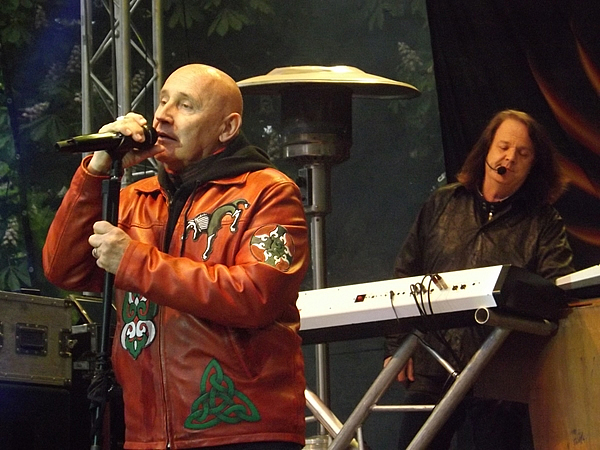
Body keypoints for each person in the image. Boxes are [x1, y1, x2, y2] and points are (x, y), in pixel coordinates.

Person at [43, 64, 310, 450]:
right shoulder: (135, 199)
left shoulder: (268, 192)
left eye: (186, 106)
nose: (163, 116)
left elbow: (256, 296)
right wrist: (97, 169)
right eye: (163, 101)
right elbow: (62, 268)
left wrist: (133, 261)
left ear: (227, 128)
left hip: (242, 431)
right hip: (147, 434)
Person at [384, 109, 575, 449]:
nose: (510, 158)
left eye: (523, 153)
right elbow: (406, 273)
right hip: (432, 362)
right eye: (504, 146)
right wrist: (396, 345)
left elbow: (556, 291)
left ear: (533, 165)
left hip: (499, 373)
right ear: (487, 149)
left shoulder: (542, 221)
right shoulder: (443, 203)